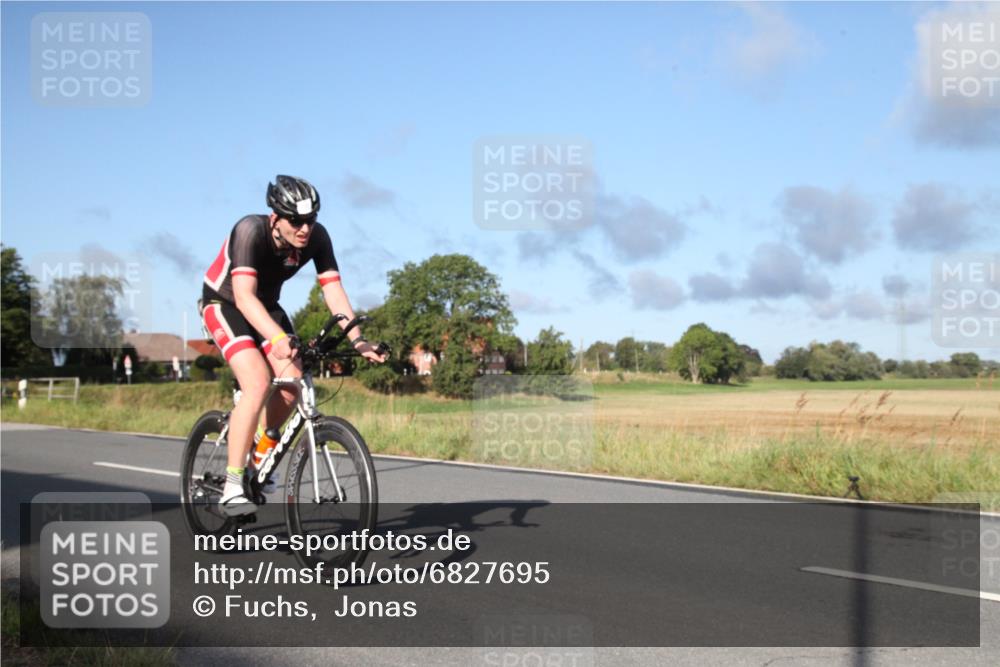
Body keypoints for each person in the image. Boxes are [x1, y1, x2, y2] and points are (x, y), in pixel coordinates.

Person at [200, 175, 386, 515]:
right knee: (257, 381)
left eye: (310, 220)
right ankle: (231, 485)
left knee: (292, 385)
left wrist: (358, 341)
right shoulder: (249, 231)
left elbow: (332, 290)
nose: (305, 228)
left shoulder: (317, 237)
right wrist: (276, 338)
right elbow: (243, 297)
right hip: (224, 303)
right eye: (296, 221)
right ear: (275, 218)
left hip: (268, 307)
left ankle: (257, 459)